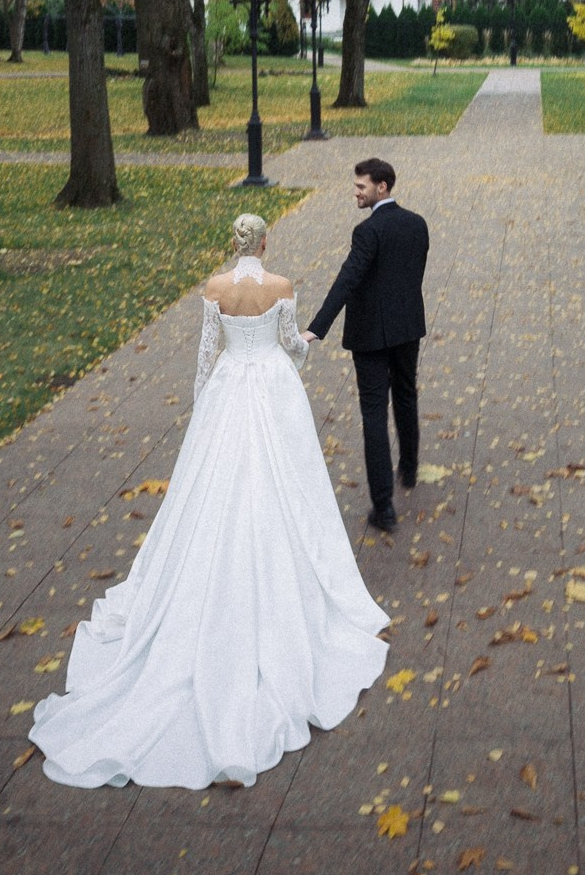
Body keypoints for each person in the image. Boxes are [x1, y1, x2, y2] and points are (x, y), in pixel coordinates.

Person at [28, 214, 388, 789]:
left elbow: (205, 355)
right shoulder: (283, 286)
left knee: (215, 487)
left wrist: (205, 410)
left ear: (234, 244)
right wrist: (297, 357)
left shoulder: (216, 289)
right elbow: (291, 345)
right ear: (265, 242)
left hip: (230, 389)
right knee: (286, 486)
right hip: (270, 386)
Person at [303, 156, 429, 533]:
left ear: (382, 188)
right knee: (406, 396)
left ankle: (384, 508)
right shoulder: (417, 224)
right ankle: (408, 469)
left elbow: (348, 280)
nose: (355, 192)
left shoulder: (367, 232)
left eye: (361, 187)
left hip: (371, 336)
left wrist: (315, 329)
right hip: (407, 328)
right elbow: (412, 274)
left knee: (374, 414)